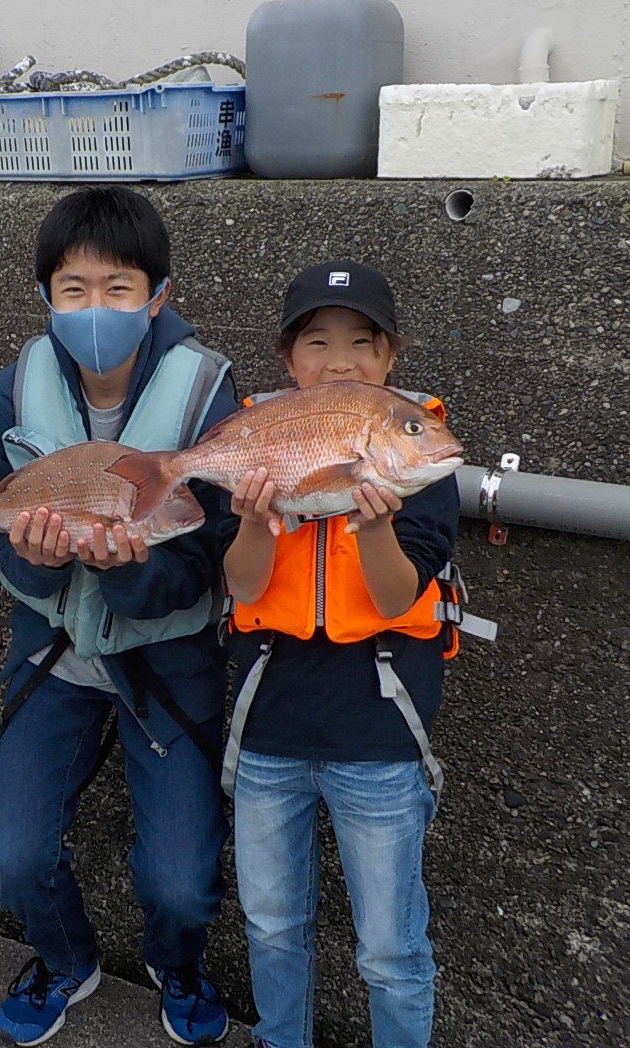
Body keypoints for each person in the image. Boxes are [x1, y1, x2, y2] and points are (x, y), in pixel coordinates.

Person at [0, 186, 238, 1047]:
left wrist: (133, 575)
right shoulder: (10, 393)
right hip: (53, 651)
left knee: (184, 885)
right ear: (47, 297)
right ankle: (64, 960)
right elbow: (5, 531)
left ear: (157, 296)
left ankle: (177, 963)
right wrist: (35, 555)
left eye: (119, 288)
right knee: (13, 860)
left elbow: (208, 555)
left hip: (167, 659)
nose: (97, 308)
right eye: (74, 289)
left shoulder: (207, 393)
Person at [221, 260, 467, 1048]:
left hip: (378, 734)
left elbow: (397, 600)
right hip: (270, 727)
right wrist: (256, 518)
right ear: (289, 361)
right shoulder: (262, 433)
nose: (339, 360)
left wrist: (375, 523)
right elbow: (241, 583)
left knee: (391, 948)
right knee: (269, 924)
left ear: (390, 359)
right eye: (317, 342)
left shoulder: (419, 460)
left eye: (362, 342)